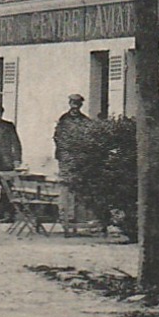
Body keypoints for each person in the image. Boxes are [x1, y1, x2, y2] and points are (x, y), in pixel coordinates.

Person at [53, 93, 92, 228]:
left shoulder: (86, 121)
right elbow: (57, 138)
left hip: (80, 159)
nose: (75, 106)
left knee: (79, 186)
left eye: (78, 104)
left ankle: (78, 216)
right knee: (65, 186)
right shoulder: (63, 120)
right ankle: (64, 215)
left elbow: (89, 140)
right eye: (73, 103)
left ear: (81, 105)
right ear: (69, 104)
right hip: (65, 158)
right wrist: (65, 152)